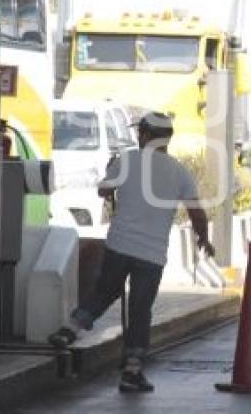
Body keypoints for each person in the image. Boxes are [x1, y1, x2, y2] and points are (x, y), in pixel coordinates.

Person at [48, 112, 213, 393]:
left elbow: (103, 191)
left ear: (147, 136)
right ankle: (132, 371)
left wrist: (112, 171)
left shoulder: (126, 161)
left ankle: (70, 330)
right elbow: (196, 211)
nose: (138, 137)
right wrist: (204, 239)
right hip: (152, 253)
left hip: (120, 245)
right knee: (140, 310)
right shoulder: (179, 172)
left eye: (141, 133)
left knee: (105, 291)